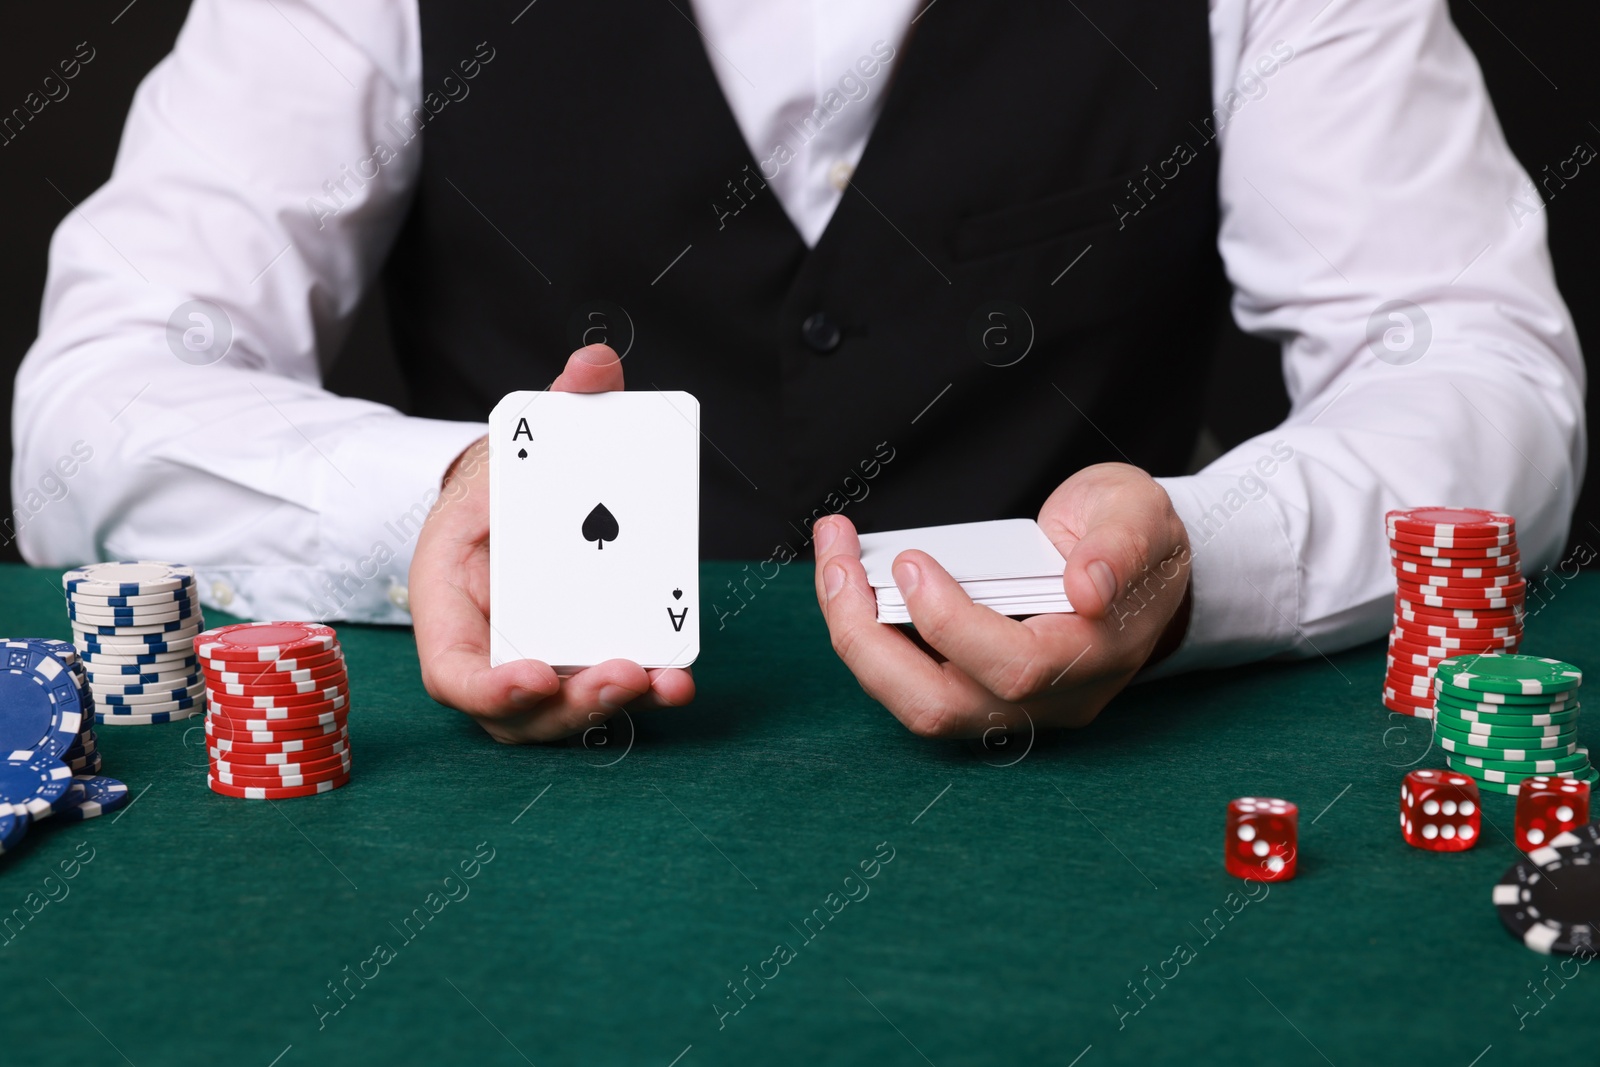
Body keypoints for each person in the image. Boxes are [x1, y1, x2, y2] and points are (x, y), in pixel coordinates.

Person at [13, 0, 1583, 744]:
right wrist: (437, 502)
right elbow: (93, 407)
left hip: (1086, 830)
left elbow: (1481, 369)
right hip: (516, 866)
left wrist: (1197, 560)